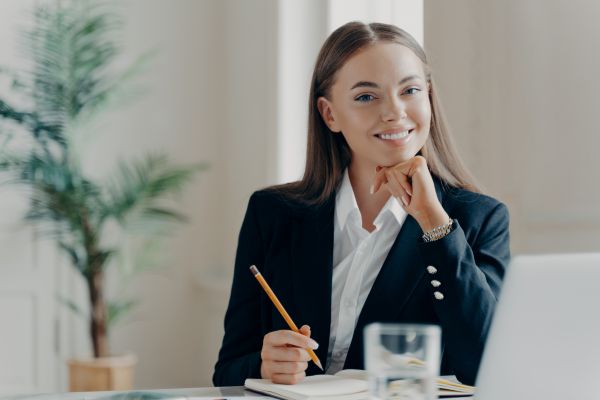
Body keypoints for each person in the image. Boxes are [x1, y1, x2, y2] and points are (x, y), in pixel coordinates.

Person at [212, 21, 510, 387]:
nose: (394, 112)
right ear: (329, 114)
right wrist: (263, 365)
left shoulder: (480, 218)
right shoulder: (272, 213)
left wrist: (436, 226)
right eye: (366, 97)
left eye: (410, 90)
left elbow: (488, 367)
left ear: (428, 97)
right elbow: (227, 370)